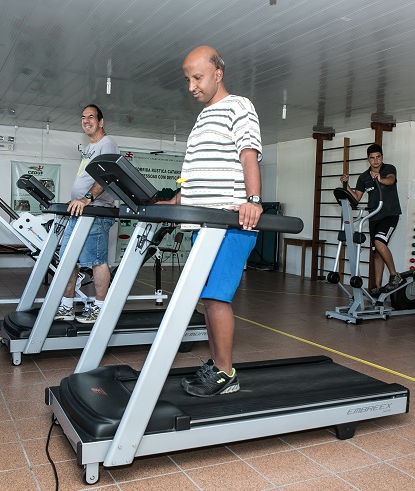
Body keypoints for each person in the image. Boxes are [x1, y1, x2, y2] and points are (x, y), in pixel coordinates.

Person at [163, 46, 263, 397]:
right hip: (202, 224)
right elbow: (197, 173)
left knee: (217, 297)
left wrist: (252, 200)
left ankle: (225, 373)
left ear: (218, 73)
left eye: (198, 77)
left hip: (230, 223)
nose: (191, 85)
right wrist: (176, 199)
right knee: (207, 298)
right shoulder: (203, 117)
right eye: (187, 79)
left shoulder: (239, 106)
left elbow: (248, 155)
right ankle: (218, 363)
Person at [54, 104, 119, 324]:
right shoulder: (90, 147)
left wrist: (86, 198)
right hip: (82, 211)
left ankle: (100, 308)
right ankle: (67, 306)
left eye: (91, 117)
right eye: (83, 117)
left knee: (97, 261)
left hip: (97, 211)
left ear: (101, 121)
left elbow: (107, 176)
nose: (86, 120)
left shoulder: (107, 144)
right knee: (67, 258)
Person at [340, 143, 402, 295]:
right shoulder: (364, 177)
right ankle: (377, 286)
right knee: (376, 252)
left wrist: (380, 179)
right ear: (368, 159)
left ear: (382, 157)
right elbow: (356, 198)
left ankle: (395, 275)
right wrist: (345, 184)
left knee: (379, 243)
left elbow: (391, 180)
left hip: (389, 214)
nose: (376, 161)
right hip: (374, 217)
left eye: (378, 157)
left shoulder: (389, 169)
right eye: (372, 158)